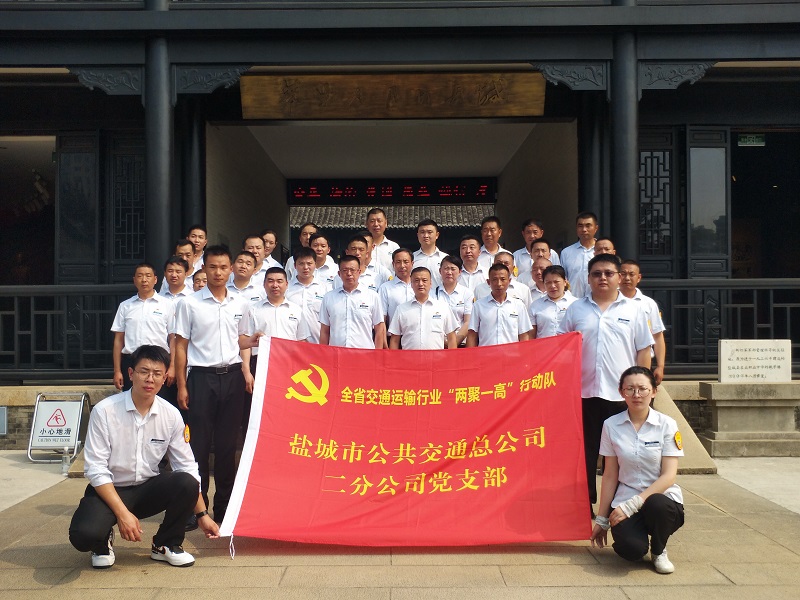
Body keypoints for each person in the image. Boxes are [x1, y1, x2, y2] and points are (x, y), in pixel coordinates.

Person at [68, 345, 219, 569]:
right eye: (144, 371)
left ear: (165, 378)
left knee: (187, 481)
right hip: (111, 489)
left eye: (157, 373)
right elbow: (96, 469)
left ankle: (166, 544)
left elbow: (186, 465)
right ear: (131, 374)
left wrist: (202, 514)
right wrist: (122, 514)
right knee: (84, 535)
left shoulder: (171, 415)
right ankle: (102, 542)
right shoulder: (105, 411)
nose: (150, 379)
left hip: (148, 489)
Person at [557, 253, 654, 506]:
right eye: (596, 274)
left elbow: (644, 350)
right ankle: (583, 503)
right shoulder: (576, 309)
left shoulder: (634, 310)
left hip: (621, 395)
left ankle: (621, 503)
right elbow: (561, 348)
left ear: (619, 277)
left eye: (608, 273)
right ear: (588, 278)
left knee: (623, 453)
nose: (602, 278)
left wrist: (642, 390)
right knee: (584, 451)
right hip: (584, 392)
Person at [174, 246, 251, 526]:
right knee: (199, 446)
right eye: (213, 267)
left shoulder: (240, 303)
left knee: (228, 447)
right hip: (201, 378)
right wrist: (182, 385)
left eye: (223, 267)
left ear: (231, 269)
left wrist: (254, 343)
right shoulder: (189, 304)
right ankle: (197, 508)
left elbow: (240, 340)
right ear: (203, 269)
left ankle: (225, 507)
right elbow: (180, 346)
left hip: (232, 377)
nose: (218, 272)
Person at [590, 366, 684, 575]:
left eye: (642, 389)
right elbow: (610, 474)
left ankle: (659, 550)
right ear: (621, 392)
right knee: (631, 550)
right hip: (625, 498)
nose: (636, 394)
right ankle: (640, 541)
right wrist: (602, 520)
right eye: (630, 389)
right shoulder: (611, 425)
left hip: (662, 500)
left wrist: (634, 504)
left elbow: (669, 476)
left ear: (654, 391)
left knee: (657, 504)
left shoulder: (667, 425)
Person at [111, 263, 174, 391]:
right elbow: (118, 340)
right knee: (132, 399)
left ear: (155, 279)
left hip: (159, 360)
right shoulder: (125, 306)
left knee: (160, 400)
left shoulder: (167, 305)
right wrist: (117, 370)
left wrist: (172, 366)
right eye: (140, 276)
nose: (144, 280)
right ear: (134, 280)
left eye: (148, 276)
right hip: (132, 360)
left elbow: (173, 338)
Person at [319, 255, 387, 349]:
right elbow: (324, 331)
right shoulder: (329, 297)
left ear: (359, 272)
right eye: (345, 270)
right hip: (337, 353)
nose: (349, 274)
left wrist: (377, 354)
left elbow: (379, 329)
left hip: (365, 353)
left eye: (352, 270)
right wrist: (323, 353)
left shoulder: (372, 296)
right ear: (339, 273)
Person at [619, 259, 667, 385]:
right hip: (618, 360)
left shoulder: (648, 304)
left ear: (639, 278)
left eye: (631, 274)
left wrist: (660, 366)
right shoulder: (610, 302)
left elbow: (657, 336)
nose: (627, 278)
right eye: (623, 274)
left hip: (644, 363)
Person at [389, 267, 458, 349]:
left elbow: (451, 338)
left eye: (424, 280)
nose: (420, 284)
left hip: (437, 357)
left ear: (430, 283)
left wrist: (452, 357)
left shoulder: (443, 308)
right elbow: (394, 340)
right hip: (409, 356)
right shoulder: (401, 309)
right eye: (416, 280)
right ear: (411, 284)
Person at [466, 264, 532, 347]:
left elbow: (524, 335)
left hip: (511, 354)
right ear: (488, 282)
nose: (499, 284)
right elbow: (472, 334)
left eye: (503, 279)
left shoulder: (519, 305)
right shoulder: (479, 305)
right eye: (494, 280)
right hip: (486, 354)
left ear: (509, 281)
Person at [286, 247, 330, 343]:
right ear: (295, 265)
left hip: (318, 343)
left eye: (309, 263)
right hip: (292, 343)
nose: (306, 267)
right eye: (301, 264)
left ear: (315, 264)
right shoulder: (286, 289)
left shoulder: (325, 289)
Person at [528, 265, 577, 339]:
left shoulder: (575, 303)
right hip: (544, 346)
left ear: (565, 282)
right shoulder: (535, 306)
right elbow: (531, 336)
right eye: (548, 282)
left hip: (568, 346)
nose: (552, 286)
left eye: (556, 282)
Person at [435, 255, 472, 346]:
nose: (449, 272)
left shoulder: (467, 293)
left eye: (453, 269)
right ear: (440, 271)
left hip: (460, 342)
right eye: (446, 269)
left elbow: (467, 322)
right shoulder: (432, 294)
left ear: (460, 272)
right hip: (438, 343)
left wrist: (453, 343)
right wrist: (445, 343)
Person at [560, 211, 599, 298]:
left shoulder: (602, 251)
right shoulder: (566, 252)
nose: (584, 229)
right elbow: (562, 279)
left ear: (596, 228)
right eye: (580, 226)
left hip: (597, 300)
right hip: (573, 300)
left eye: (588, 226)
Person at [379, 248, 414, 328]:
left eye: (406, 262)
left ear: (412, 263)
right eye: (398, 262)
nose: (402, 266)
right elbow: (382, 317)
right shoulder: (385, 288)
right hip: (394, 334)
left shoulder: (419, 286)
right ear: (393, 264)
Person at [412, 218, 446, 286]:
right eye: (422, 232)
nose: (426, 236)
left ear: (437, 235)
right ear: (418, 235)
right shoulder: (411, 259)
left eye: (429, 232)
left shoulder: (445, 258)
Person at [366, 208, 399, 272]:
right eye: (372, 221)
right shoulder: (361, 247)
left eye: (379, 221)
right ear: (367, 224)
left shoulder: (394, 247)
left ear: (386, 223)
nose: (376, 224)